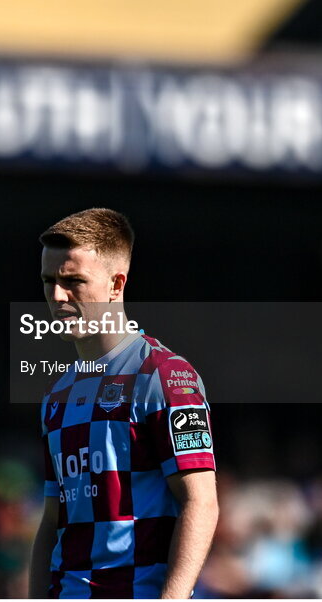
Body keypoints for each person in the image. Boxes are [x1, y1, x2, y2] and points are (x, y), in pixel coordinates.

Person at [28, 208, 219, 598]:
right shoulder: (56, 396)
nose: (57, 296)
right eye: (49, 281)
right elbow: (52, 522)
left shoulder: (165, 376)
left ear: (117, 284)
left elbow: (201, 502)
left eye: (73, 281)